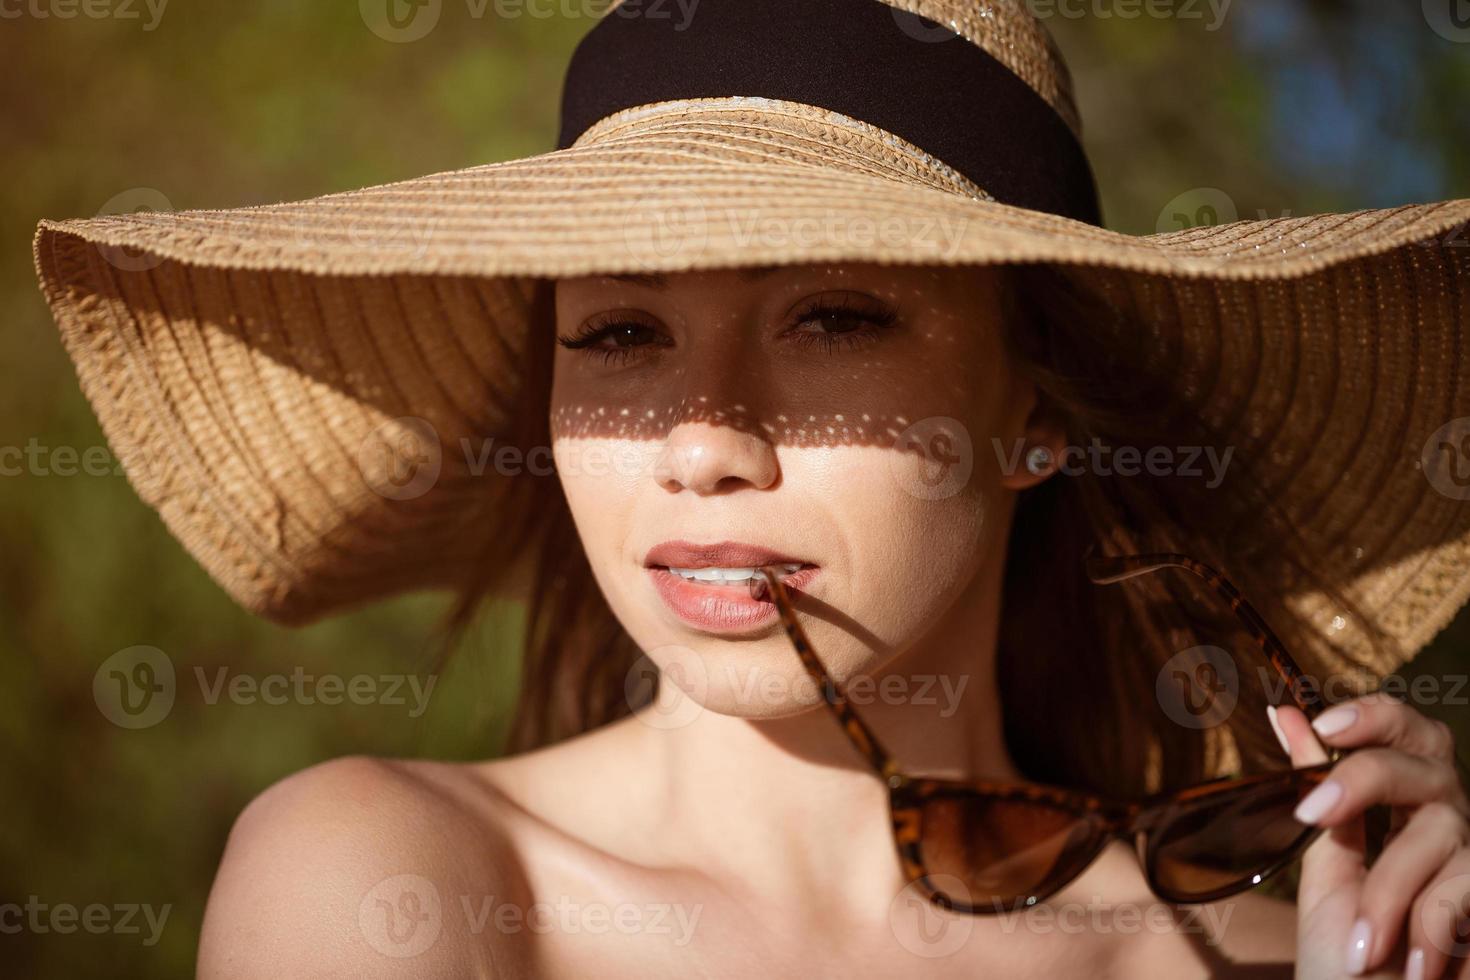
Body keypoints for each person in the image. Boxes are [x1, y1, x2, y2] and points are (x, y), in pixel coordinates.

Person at [31, 1, 1470, 977]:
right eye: (618, 333)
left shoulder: (1252, 958)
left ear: (1035, 411)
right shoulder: (394, 874)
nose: (702, 444)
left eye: (834, 319)